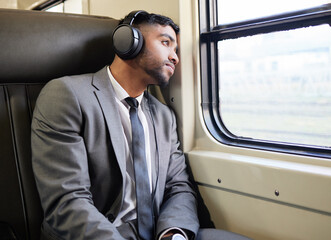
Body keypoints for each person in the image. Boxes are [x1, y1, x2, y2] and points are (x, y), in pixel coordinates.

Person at [31, 11, 250, 240]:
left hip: (157, 231)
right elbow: (68, 201)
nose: (175, 57)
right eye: (166, 42)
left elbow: (178, 187)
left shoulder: (164, 116)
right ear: (128, 42)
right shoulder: (67, 96)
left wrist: (172, 233)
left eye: (175, 50)